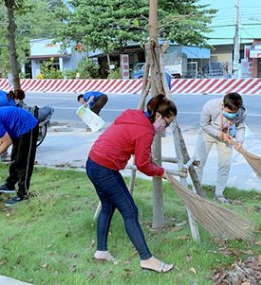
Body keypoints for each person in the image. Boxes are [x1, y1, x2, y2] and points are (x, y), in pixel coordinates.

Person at [86, 94, 176, 273]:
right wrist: (161, 171)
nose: (166, 127)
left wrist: (152, 162)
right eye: (167, 123)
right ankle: (147, 259)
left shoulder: (135, 116)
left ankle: (101, 251)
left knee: (107, 206)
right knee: (130, 211)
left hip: (92, 163)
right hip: (105, 169)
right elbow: (142, 165)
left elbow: (134, 146)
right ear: (158, 116)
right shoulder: (146, 131)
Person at [194, 92, 246, 204]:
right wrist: (220, 134)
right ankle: (195, 193)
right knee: (198, 163)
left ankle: (219, 194)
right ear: (223, 106)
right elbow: (204, 125)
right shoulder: (210, 106)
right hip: (207, 134)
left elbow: (240, 127)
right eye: (229, 112)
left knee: (225, 165)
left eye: (234, 113)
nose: (231, 115)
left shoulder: (241, 112)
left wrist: (240, 141)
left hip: (227, 137)